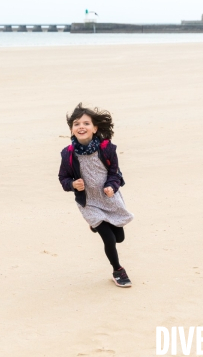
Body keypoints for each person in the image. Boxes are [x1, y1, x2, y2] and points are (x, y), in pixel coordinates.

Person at [58, 103, 134, 287]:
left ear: (95, 128)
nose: (81, 126)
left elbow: (115, 174)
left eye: (86, 123)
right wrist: (72, 184)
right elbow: (63, 178)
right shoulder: (68, 154)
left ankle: (97, 225)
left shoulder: (107, 149)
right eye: (76, 124)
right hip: (89, 202)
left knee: (119, 238)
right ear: (71, 129)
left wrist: (111, 186)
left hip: (109, 198)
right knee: (108, 239)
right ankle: (118, 270)